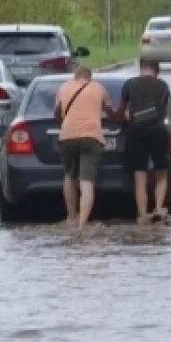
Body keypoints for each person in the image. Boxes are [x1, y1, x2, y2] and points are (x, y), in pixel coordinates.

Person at [53, 65, 115, 230]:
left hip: (67, 136)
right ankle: (82, 225)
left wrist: (64, 122)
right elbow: (110, 110)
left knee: (69, 176)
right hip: (91, 136)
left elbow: (56, 112)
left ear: (75, 76)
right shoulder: (98, 88)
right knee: (86, 182)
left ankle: (72, 217)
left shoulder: (63, 87)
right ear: (90, 77)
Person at [114, 59, 171, 224]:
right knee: (161, 172)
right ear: (157, 70)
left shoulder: (129, 84)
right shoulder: (163, 85)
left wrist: (121, 118)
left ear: (141, 69)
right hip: (157, 132)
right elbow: (164, 109)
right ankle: (159, 208)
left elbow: (121, 110)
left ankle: (142, 214)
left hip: (135, 132)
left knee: (140, 175)